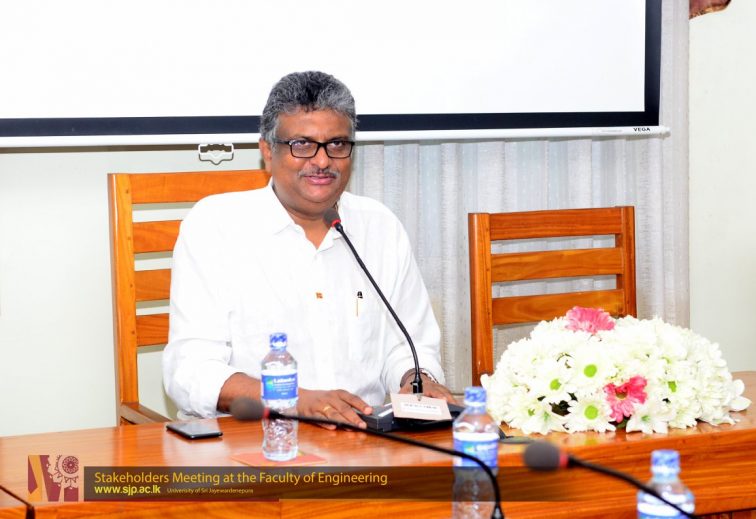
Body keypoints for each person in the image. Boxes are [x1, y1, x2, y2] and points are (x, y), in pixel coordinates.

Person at [163, 71, 453, 429]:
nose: (322, 161)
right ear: (267, 151)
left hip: (366, 438)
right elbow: (190, 368)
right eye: (302, 144)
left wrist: (416, 380)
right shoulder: (216, 226)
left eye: (337, 144)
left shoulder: (380, 227)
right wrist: (293, 399)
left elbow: (409, 345)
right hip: (253, 440)